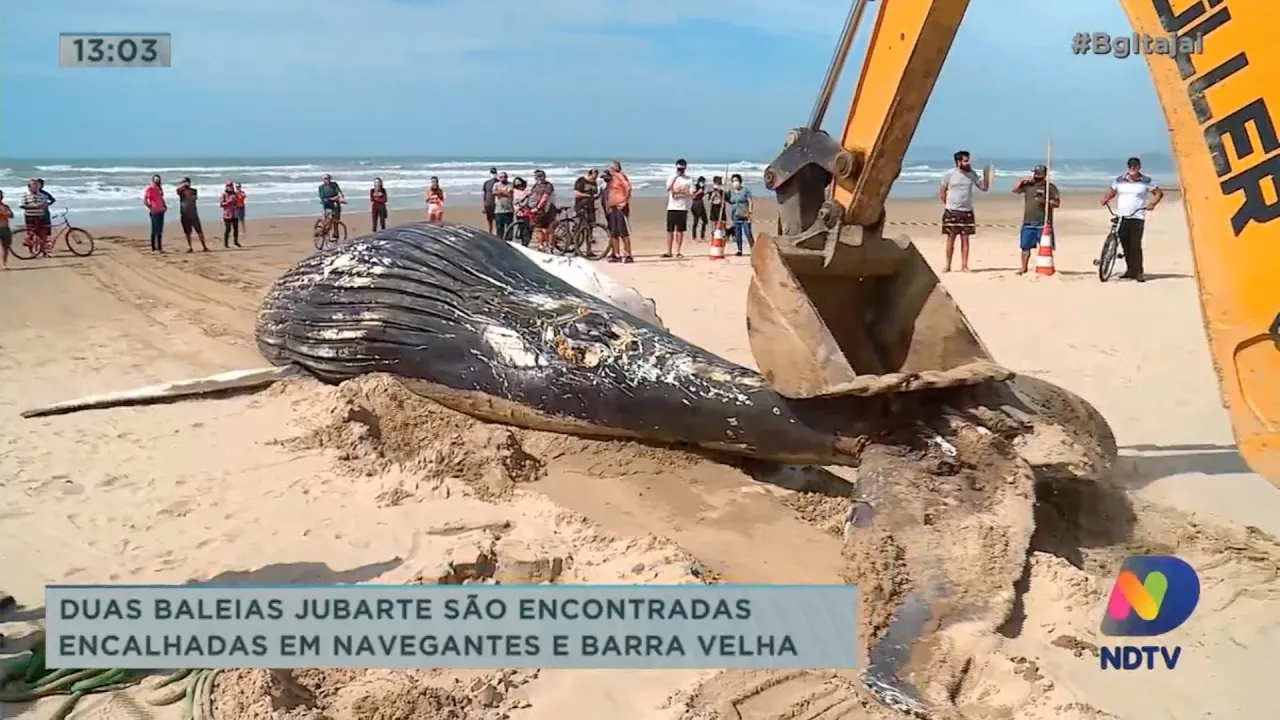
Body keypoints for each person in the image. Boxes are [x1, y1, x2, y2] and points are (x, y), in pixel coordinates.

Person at [1100, 156, 1163, 282]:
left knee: (1135, 245)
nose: (1132, 167)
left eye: (1135, 165)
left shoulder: (1146, 180)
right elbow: (1112, 191)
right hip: (1122, 216)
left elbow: (1158, 193)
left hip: (1137, 216)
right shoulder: (1119, 180)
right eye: (1130, 165)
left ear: (1139, 167)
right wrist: (1106, 198)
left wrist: (1152, 204)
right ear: (1127, 167)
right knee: (1125, 246)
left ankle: (1139, 272)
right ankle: (1130, 271)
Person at [939, 150, 989, 272]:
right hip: (952, 211)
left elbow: (983, 188)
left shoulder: (972, 174)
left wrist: (987, 177)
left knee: (965, 239)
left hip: (967, 211)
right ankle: (948, 265)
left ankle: (964, 265)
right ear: (958, 162)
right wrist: (949, 204)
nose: (968, 163)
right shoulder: (949, 174)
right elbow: (942, 191)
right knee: (950, 238)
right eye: (965, 160)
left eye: (968, 160)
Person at [1012, 165, 1059, 275]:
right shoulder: (1028, 186)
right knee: (1025, 246)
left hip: (1043, 221)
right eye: (1035, 173)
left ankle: (1047, 266)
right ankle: (1024, 268)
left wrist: (1045, 202)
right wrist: (1022, 180)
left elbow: (1056, 203)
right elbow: (1015, 190)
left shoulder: (1049, 187)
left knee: (1046, 246)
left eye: (1039, 174)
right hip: (1028, 220)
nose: (1036, 176)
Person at [602, 161, 633, 263]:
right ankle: (616, 254)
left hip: (620, 207)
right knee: (614, 232)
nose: (610, 169)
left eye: (611, 167)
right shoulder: (611, 178)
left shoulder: (620, 176)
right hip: (613, 207)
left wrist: (624, 202)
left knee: (623, 232)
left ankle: (628, 254)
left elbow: (628, 188)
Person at [664, 159, 694, 258]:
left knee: (680, 231)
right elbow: (668, 189)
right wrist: (675, 178)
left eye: (682, 168)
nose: (680, 170)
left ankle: (678, 251)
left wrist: (682, 194)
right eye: (679, 168)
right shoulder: (671, 177)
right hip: (672, 207)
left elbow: (691, 194)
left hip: (682, 208)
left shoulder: (688, 179)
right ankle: (669, 251)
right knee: (670, 230)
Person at [176, 177, 209, 252]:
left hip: (193, 214)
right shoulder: (181, 191)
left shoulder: (193, 191)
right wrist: (182, 185)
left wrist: (186, 188)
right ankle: (190, 247)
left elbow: (193, 198)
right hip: (184, 214)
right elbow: (177, 191)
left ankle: (204, 246)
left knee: (199, 231)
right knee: (187, 232)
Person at [528, 169, 557, 252]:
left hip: (548, 209)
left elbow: (545, 198)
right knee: (539, 229)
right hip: (538, 209)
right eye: (537, 177)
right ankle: (542, 245)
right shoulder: (536, 185)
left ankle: (550, 245)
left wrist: (537, 207)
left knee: (548, 228)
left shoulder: (548, 185)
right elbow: (531, 195)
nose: (538, 178)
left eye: (540, 176)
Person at [726, 174, 755, 255]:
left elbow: (750, 201)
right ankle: (739, 250)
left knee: (748, 232)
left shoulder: (745, 190)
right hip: (735, 214)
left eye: (736, 181)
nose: (735, 183)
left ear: (740, 181)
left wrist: (750, 212)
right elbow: (727, 200)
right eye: (733, 181)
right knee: (737, 233)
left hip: (745, 214)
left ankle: (753, 249)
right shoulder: (730, 192)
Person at [573, 169, 599, 256]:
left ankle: (589, 250)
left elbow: (595, 194)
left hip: (590, 208)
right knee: (579, 228)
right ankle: (576, 249)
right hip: (581, 207)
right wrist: (588, 195)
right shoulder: (581, 181)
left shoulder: (594, 183)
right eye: (594, 177)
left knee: (590, 229)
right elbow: (576, 194)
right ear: (589, 175)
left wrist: (596, 197)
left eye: (596, 178)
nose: (595, 179)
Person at [21, 179, 50, 256]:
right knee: (31, 234)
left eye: (37, 185)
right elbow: (22, 205)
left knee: (43, 235)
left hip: (41, 217)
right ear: (29, 187)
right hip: (30, 217)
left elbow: (46, 203)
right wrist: (33, 206)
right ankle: (31, 252)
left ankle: (43, 251)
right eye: (34, 185)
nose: (36, 187)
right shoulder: (25, 195)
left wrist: (43, 205)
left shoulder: (43, 195)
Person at [143, 174, 167, 253]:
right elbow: (145, 200)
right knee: (154, 229)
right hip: (154, 211)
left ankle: (159, 247)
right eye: (156, 179)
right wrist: (150, 207)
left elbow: (161, 198)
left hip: (161, 210)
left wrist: (164, 205)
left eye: (158, 179)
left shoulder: (159, 188)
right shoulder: (150, 188)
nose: (157, 181)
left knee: (160, 229)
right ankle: (153, 248)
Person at [318, 173, 344, 239]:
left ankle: (335, 235)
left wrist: (341, 198)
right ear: (323, 180)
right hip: (327, 204)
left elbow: (339, 192)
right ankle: (323, 230)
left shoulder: (334, 184)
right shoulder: (321, 187)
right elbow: (322, 197)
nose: (327, 180)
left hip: (336, 203)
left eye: (328, 178)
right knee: (327, 219)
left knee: (336, 220)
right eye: (325, 179)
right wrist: (332, 198)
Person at [492, 172, 514, 239]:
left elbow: (509, 194)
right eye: (501, 177)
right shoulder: (496, 184)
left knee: (509, 228)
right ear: (499, 178)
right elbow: (493, 192)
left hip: (508, 210)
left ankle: (509, 242)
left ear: (507, 177)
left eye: (504, 177)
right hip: (498, 210)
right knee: (499, 228)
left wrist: (500, 192)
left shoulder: (510, 184)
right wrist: (504, 192)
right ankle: (500, 242)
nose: (503, 178)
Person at [481, 168, 499, 233]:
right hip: (488, 204)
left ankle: (498, 234)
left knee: (498, 221)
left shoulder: (499, 182)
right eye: (492, 173)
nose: (493, 174)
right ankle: (490, 232)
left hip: (497, 205)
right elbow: (484, 194)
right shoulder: (486, 183)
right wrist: (483, 205)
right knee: (489, 220)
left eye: (494, 173)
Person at [0, 190, 13, 270]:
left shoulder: (5, 206)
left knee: (6, 248)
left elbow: (11, 215)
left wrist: (6, 213)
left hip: (5, 229)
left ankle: (4, 264)